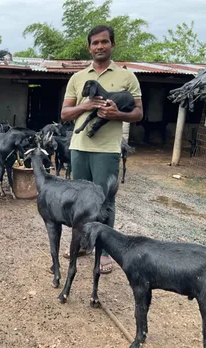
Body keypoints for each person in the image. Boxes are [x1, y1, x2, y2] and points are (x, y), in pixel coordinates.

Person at [60, 25, 143, 274]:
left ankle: (105, 251)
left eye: (104, 42)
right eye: (95, 43)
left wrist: (119, 114)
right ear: (89, 47)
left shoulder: (127, 77)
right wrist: (86, 106)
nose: (99, 47)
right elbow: (64, 114)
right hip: (79, 148)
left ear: (112, 45)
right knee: (81, 200)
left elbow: (139, 113)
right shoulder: (77, 78)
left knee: (106, 201)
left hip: (107, 150)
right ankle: (83, 244)